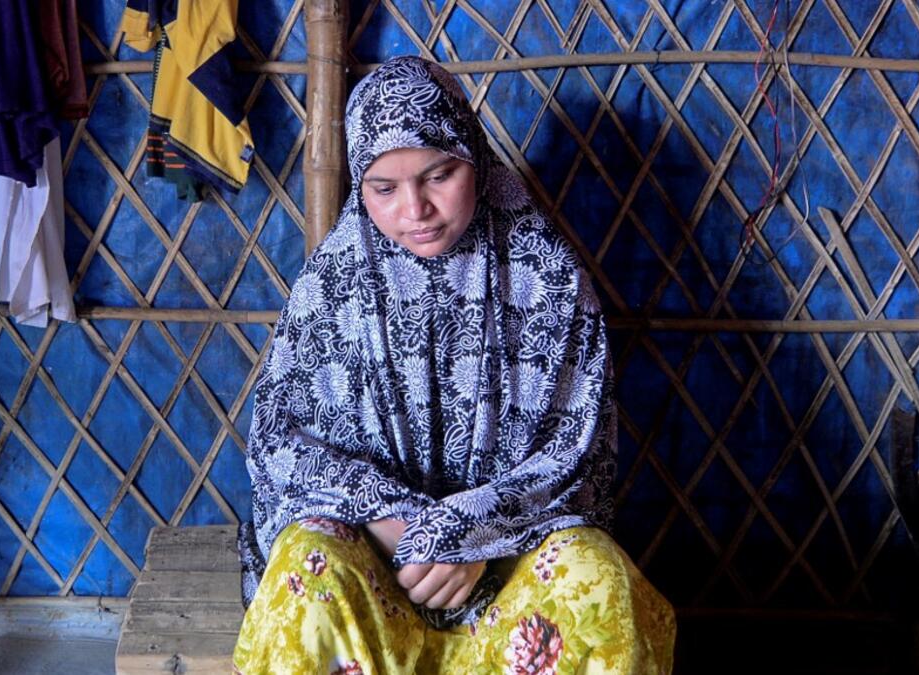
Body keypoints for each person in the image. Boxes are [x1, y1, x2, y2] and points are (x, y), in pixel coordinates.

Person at [232, 55, 675, 674]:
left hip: (509, 557)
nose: (415, 209)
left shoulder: (547, 277)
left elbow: (578, 450)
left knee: (598, 584)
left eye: (439, 175)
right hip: (379, 558)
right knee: (306, 576)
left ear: (476, 156)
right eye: (383, 189)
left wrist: (472, 535)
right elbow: (283, 441)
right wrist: (394, 522)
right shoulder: (332, 283)